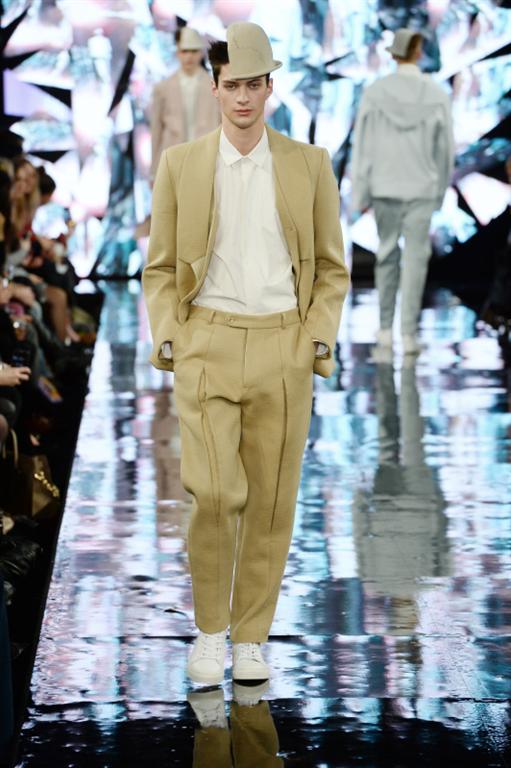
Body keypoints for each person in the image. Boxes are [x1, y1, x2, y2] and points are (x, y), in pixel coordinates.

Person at [143, 22, 349, 685]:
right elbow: (161, 267)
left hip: (282, 345)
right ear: (214, 87)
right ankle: (210, 631)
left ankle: (250, 638)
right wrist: (171, 335)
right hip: (206, 340)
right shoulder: (181, 165)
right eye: (232, 85)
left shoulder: (308, 165)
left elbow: (331, 266)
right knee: (211, 494)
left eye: (253, 85)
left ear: (269, 88)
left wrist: (314, 338)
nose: (242, 98)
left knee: (271, 503)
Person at [351, 28, 454, 355]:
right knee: (415, 259)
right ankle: (408, 333)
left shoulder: (375, 93)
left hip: (385, 185)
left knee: (386, 255)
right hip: (422, 186)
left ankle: (385, 330)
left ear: (393, 54)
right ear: (419, 52)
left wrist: (360, 192)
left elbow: (363, 145)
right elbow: (445, 149)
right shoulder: (436, 94)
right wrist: (441, 189)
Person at [150, 26, 220, 179]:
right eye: (184, 51)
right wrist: (154, 171)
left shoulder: (217, 86)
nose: (189, 56)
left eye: (194, 51)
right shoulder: (163, 88)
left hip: (208, 160)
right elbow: (156, 130)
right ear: (177, 52)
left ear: (201, 52)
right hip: (173, 160)